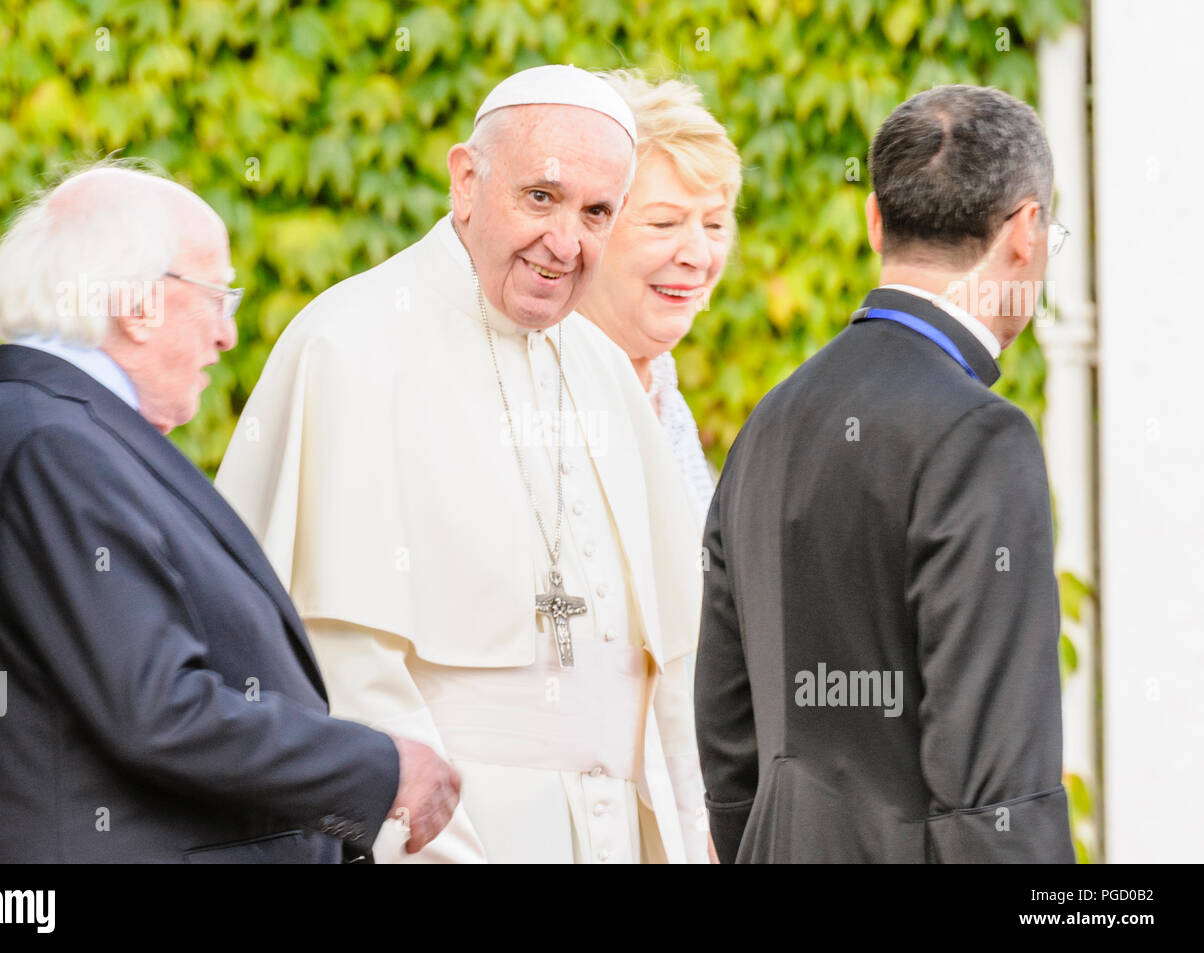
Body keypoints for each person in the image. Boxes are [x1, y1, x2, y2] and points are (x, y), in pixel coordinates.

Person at [215, 65, 710, 863]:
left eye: (596, 213)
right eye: (540, 197)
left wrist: (691, 836)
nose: (565, 241)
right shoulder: (352, 343)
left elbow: (671, 666)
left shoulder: (605, 370)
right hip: (458, 834)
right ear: (467, 180)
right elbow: (345, 659)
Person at [0, 164, 459, 863]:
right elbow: (158, 709)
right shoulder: (54, 443)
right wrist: (377, 768)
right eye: (216, 296)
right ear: (138, 303)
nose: (227, 335)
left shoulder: (15, 429)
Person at [696, 85, 1075, 863]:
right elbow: (994, 795)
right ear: (1026, 231)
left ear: (875, 220)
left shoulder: (768, 421)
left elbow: (729, 747)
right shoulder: (980, 437)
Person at [577, 69, 741, 524]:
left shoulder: (662, 389)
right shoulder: (545, 404)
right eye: (664, 223)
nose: (698, 255)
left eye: (714, 225)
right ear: (589, 226)